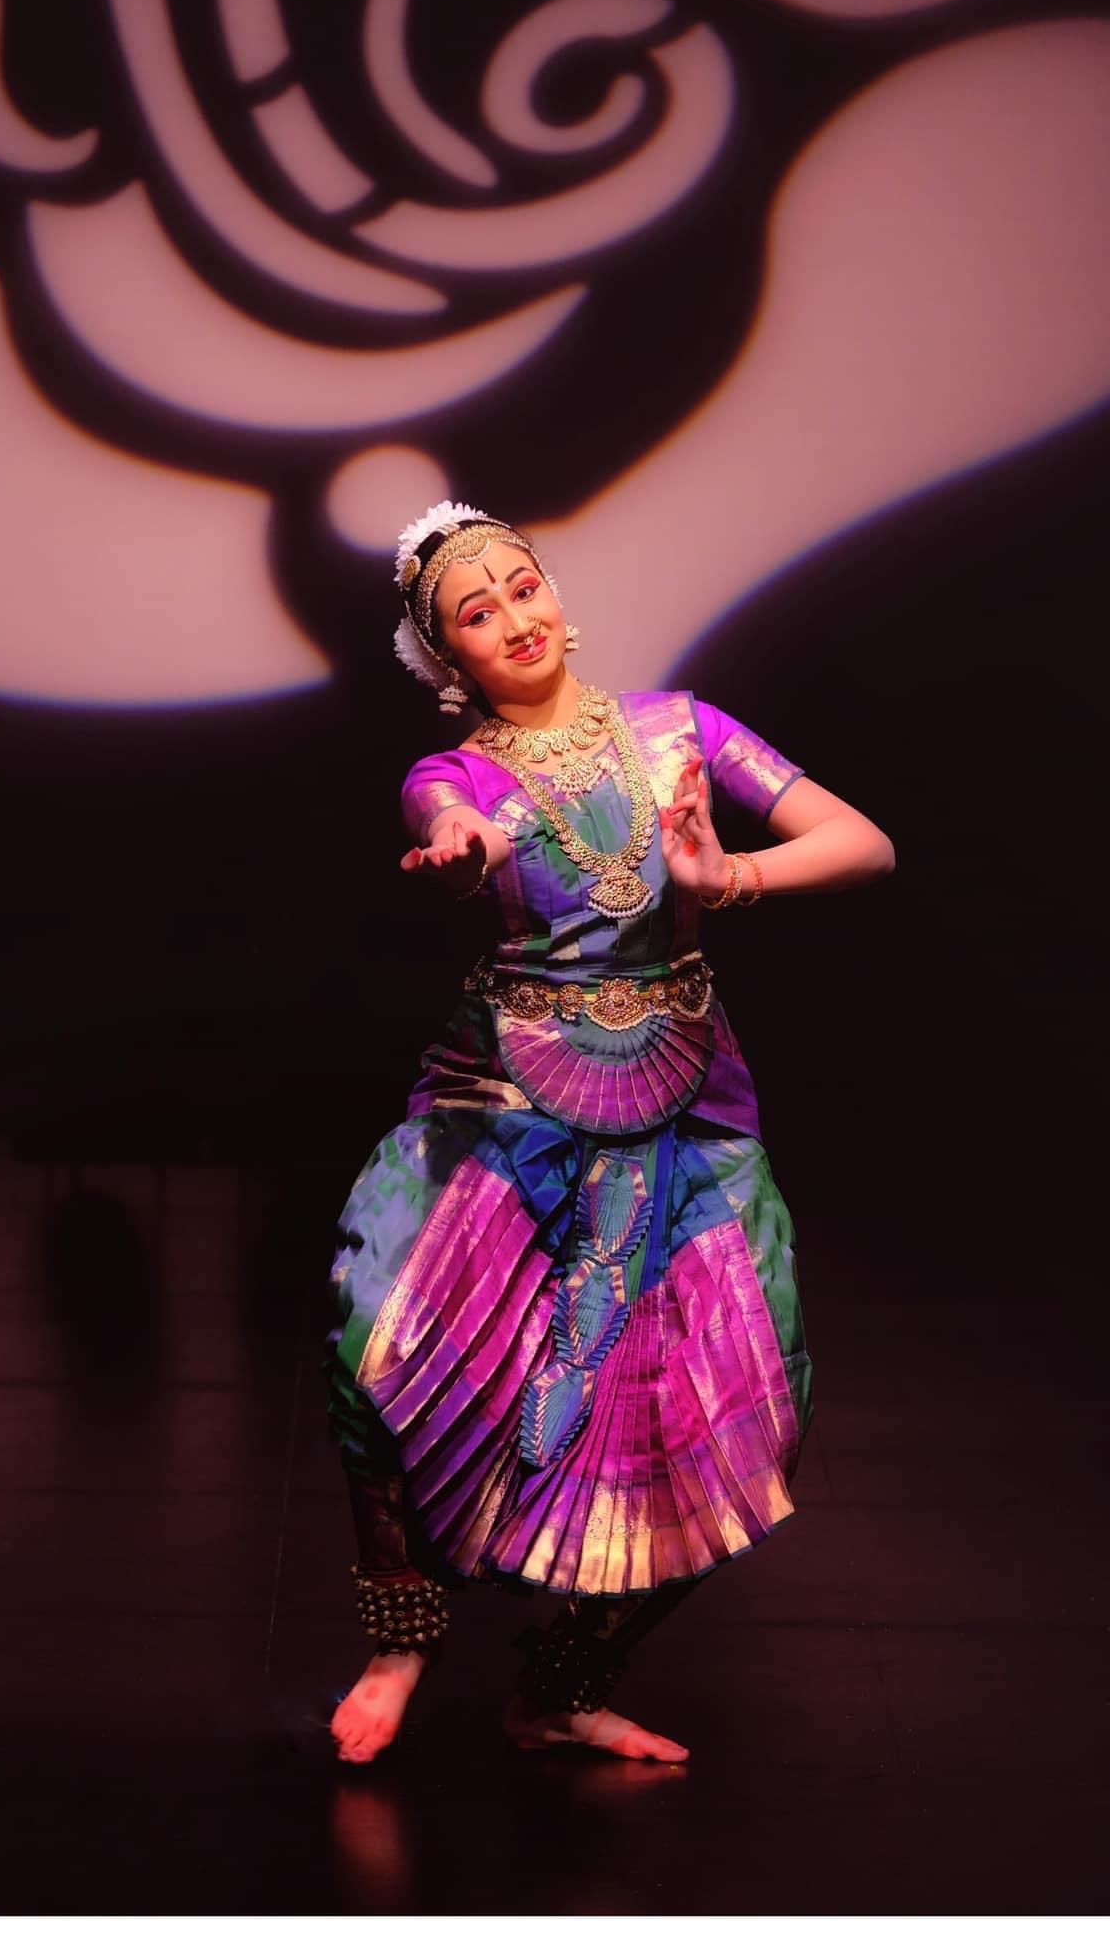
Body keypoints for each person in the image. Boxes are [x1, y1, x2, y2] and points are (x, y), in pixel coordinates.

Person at [324, 500, 895, 1766]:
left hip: (687, 1091)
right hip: (508, 1095)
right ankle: (402, 1641)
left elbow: (862, 842)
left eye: (522, 585)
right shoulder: (456, 776)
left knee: (751, 1399)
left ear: (553, 590)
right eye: (477, 613)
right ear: (448, 657)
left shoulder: (680, 730)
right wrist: (461, 846)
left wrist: (724, 876)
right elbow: (446, 821)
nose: (513, 618)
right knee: (377, 1339)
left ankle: (562, 1683)